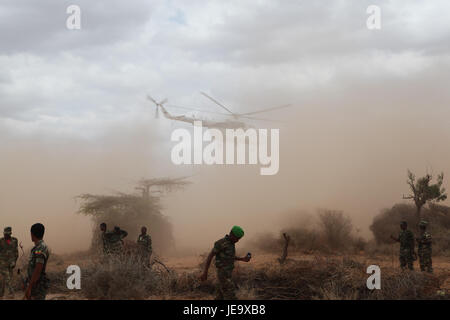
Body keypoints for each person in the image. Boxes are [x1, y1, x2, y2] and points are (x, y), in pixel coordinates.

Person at [200, 226, 251, 300]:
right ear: (231, 234)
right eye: (236, 238)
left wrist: (242, 259)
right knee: (231, 295)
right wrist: (205, 272)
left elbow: (230, 256)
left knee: (219, 297)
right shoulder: (220, 243)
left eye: (239, 239)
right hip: (222, 274)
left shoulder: (231, 244)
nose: (237, 240)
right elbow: (210, 256)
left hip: (228, 274)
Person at [24, 223, 50, 300]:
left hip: (38, 287)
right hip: (34, 285)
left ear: (32, 234)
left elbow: (38, 269)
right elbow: (32, 268)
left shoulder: (41, 247)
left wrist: (29, 287)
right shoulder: (37, 248)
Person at [0, 227, 19, 298]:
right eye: (4, 234)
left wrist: (14, 261)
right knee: (7, 279)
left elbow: (16, 252)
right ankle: (11, 294)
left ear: (10, 233)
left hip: (11, 264)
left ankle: (1, 295)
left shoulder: (14, 240)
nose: (5, 235)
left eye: (7, 234)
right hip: (2, 263)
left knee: (7, 280)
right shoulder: (1, 241)